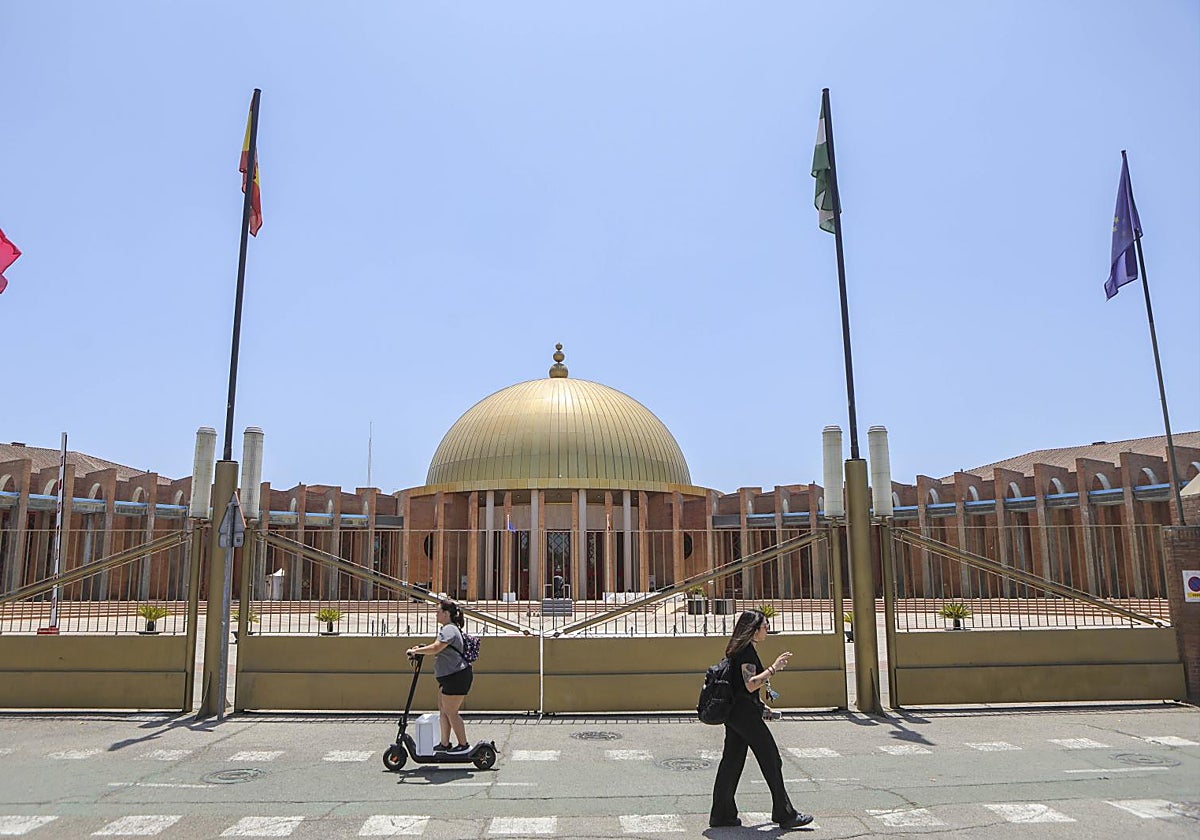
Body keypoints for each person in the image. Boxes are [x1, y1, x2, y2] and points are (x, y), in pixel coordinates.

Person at [709, 609, 814, 829]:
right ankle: (785, 814)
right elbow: (750, 683)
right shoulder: (746, 652)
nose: (767, 630)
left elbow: (740, 687)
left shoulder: (738, 649)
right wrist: (774, 668)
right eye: (765, 626)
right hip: (745, 716)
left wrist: (760, 704)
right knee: (771, 759)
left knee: (731, 762)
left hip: (736, 713)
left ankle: (722, 814)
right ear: (754, 630)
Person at [406, 599, 473, 752]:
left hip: (456, 676)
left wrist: (415, 651)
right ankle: (444, 744)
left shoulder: (449, 629)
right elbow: (437, 647)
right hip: (450, 677)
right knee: (443, 710)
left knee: (451, 712)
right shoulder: (448, 629)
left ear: (446, 613)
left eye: (438, 612)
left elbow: (436, 648)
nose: (436, 614)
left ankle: (464, 745)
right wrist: (421, 649)